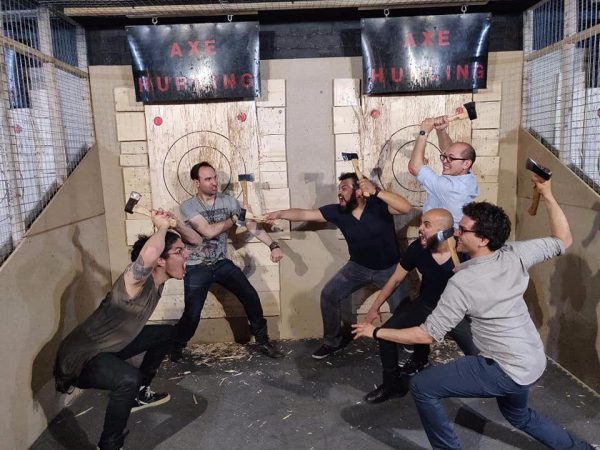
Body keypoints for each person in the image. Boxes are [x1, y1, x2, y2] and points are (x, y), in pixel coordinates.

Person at [353, 177, 595, 449]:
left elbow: (426, 335)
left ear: (482, 239)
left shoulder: (463, 283)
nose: (456, 233)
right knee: (519, 416)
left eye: (463, 230)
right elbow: (564, 239)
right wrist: (548, 194)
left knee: (422, 386)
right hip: (531, 360)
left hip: (503, 368)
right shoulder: (514, 253)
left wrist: (376, 331)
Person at [54, 210, 188, 450]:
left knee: (166, 334)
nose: (187, 254)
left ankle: (140, 394)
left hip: (111, 348)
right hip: (81, 359)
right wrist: (161, 228)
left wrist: (172, 224)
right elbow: (148, 255)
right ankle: (109, 446)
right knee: (128, 379)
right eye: (179, 251)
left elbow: (197, 240)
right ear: (160, 260)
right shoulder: (135, 283)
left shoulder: (158, 283)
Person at [265, 172, 412, 359]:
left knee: (402, 306)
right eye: (339, 189)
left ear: (359, 191)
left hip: (390, 268)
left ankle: (407, 340)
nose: (339, 193)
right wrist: (279, 214)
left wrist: (376, 191)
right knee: (329, 294)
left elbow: (406, 207)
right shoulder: (338, 211)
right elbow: (304, 213)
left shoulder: (379, 205)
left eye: (344, 188)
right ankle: (332, 342)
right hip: (358, 267)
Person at [362, 208, 479, 404]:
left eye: (427, 225)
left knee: (478, 356)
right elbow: (396, 279)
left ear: (443, 231)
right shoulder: (418, 248)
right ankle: (392, 385)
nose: (420, 229)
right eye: (421, 223)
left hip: (455, 312)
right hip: (426, 303)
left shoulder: (464, 251)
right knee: (385, 334)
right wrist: (375, 307)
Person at [172, 161, 284, 361]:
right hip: (196, 266)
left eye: (215, 177)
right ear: (196, 183)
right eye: (208, 179)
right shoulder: (188, 206)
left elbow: (251, 225)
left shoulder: (229, 202)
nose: (214, 182)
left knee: (250, 296)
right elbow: (208, 231)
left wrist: (273, 245)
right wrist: (235, 219)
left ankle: (263, 341)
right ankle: (176, 346)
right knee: (192, 313)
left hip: (221, 263)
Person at [408, 115, 479, 227]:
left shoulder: (451, 188)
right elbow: (448, 149)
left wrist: (424, 132)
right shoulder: (467, 175)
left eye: (451, 159)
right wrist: (441, 131)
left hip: (440, 235)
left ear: (466, 164)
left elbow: (414, 167)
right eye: (444, 157)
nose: (445, 161)